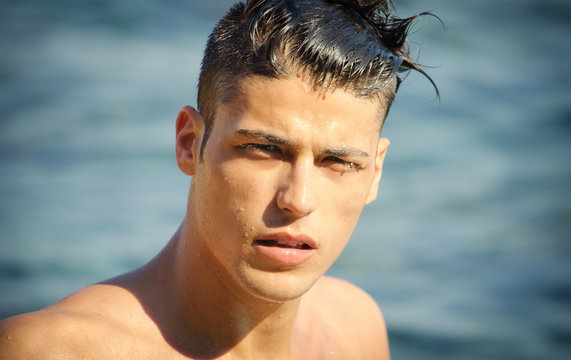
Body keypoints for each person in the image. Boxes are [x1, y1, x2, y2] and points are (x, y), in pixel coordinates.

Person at [0, 0, 436, 358]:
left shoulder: (355, 329)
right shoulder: (46, 351)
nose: (298, 200)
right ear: (190, 143)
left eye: (338, 162)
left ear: (375, 172)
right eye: (263, 149)